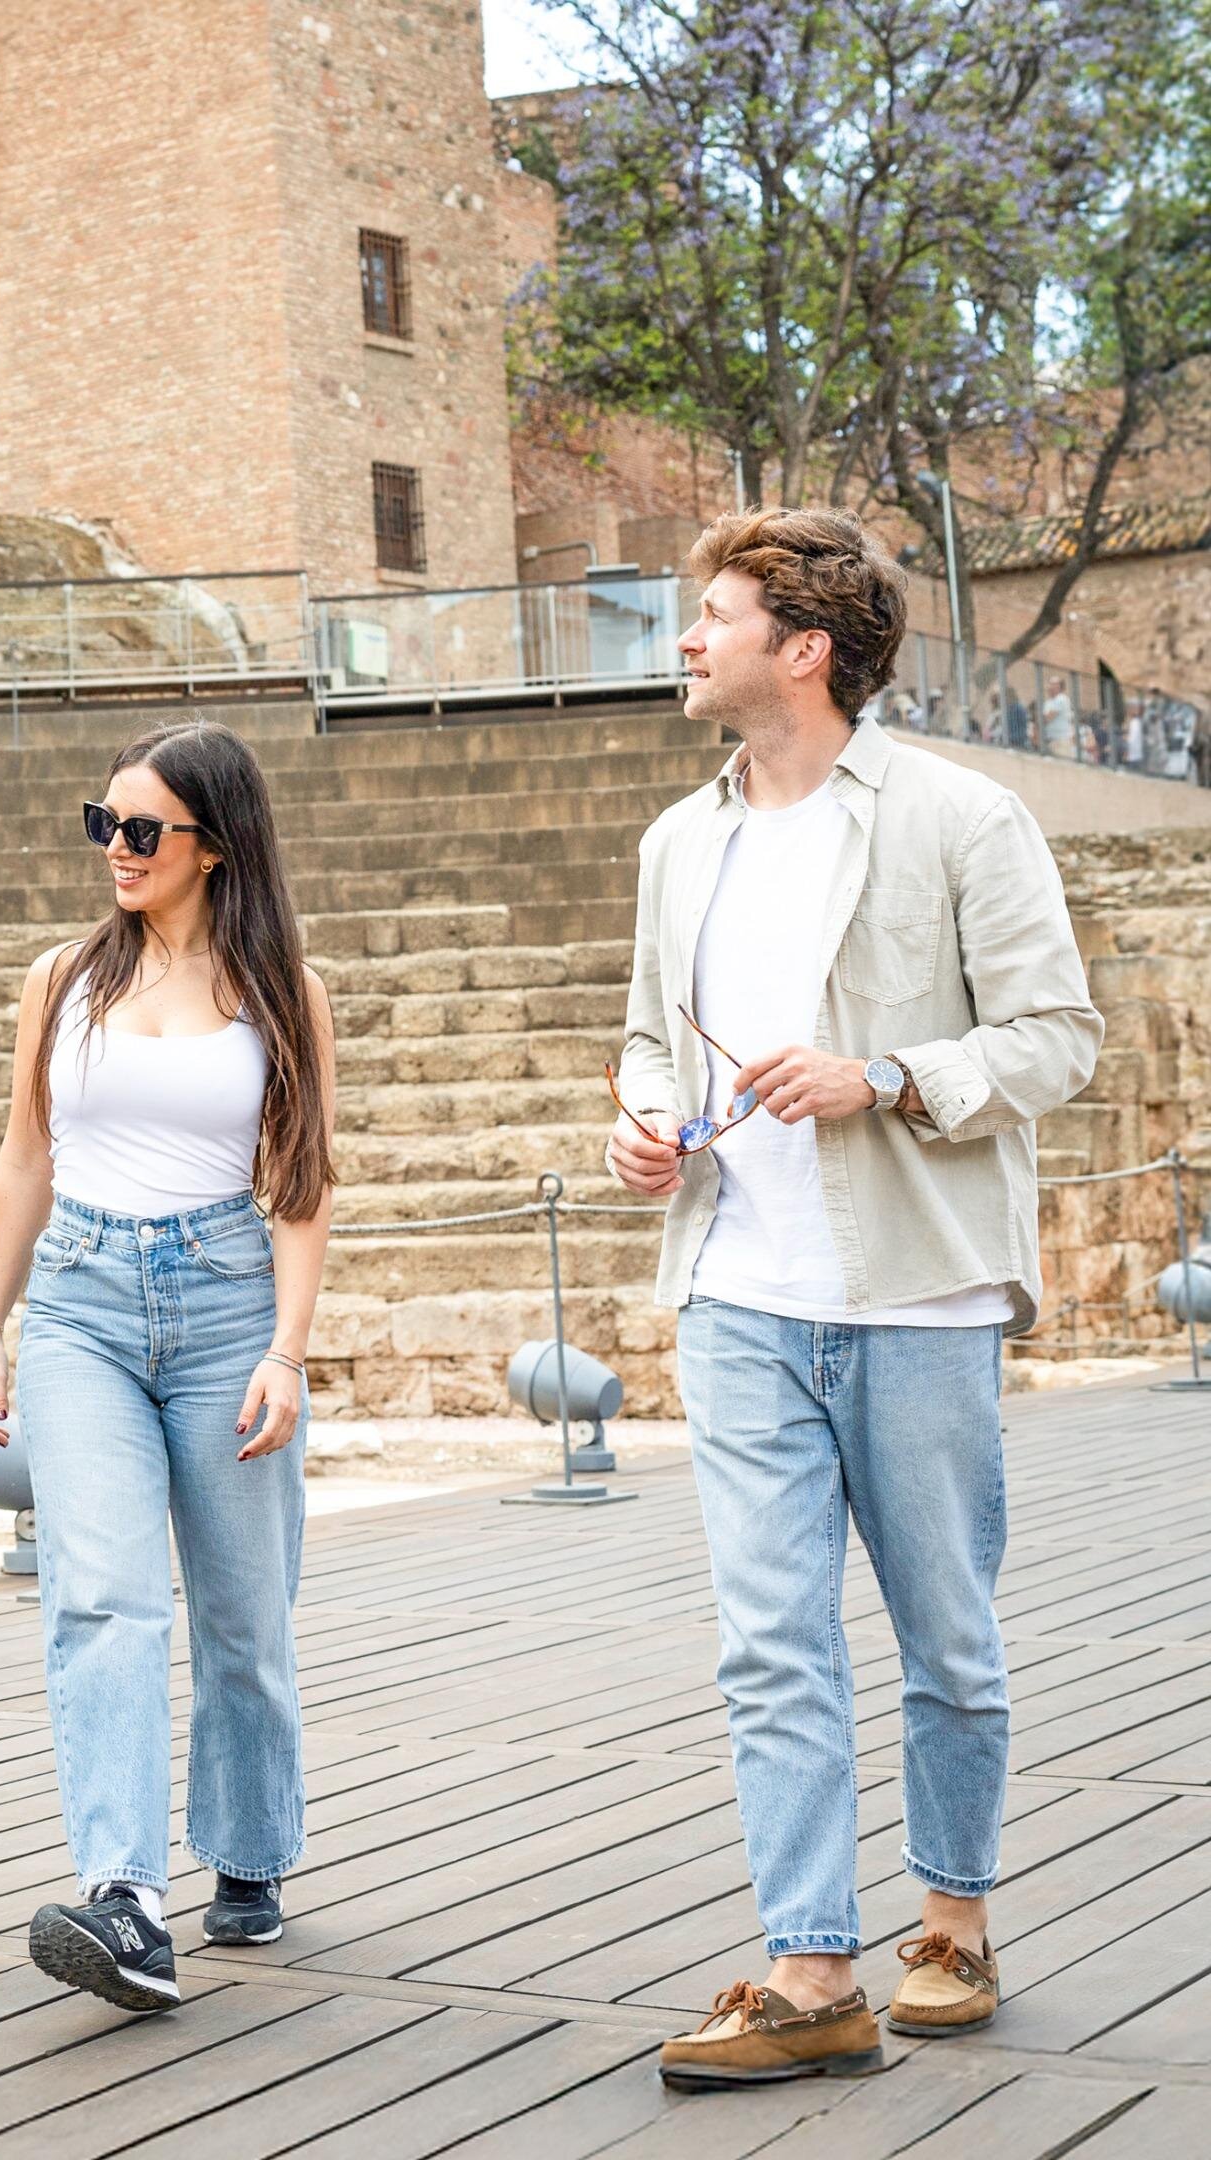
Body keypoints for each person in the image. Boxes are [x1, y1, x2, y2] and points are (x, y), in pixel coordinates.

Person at [609, 510, 1101, 2092]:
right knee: (771, 1644)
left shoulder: (962, 817)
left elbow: (1056, 1038)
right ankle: (812, 1970)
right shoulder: (678, 843)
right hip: (736, 1295)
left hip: (917, 1295)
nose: (688, 639)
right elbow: (650, 1036)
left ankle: (952, 1922)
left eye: (716, 615)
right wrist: (644, 1118)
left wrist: (882, 1076)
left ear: (804, 650)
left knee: (946, 1635)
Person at [0, 723, 336, 2018]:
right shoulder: (61, 979)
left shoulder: (283, 990)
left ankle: (249, 1849)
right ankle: (123, 1894)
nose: (113, 849)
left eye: (139, 830)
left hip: (230, 1302)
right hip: (82, 1306)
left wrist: (287, 1351)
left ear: (213, 846)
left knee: (244, 1612)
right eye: (101, 823)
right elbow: (25, 1159)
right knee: (103, 1599)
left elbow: (301, 1185)